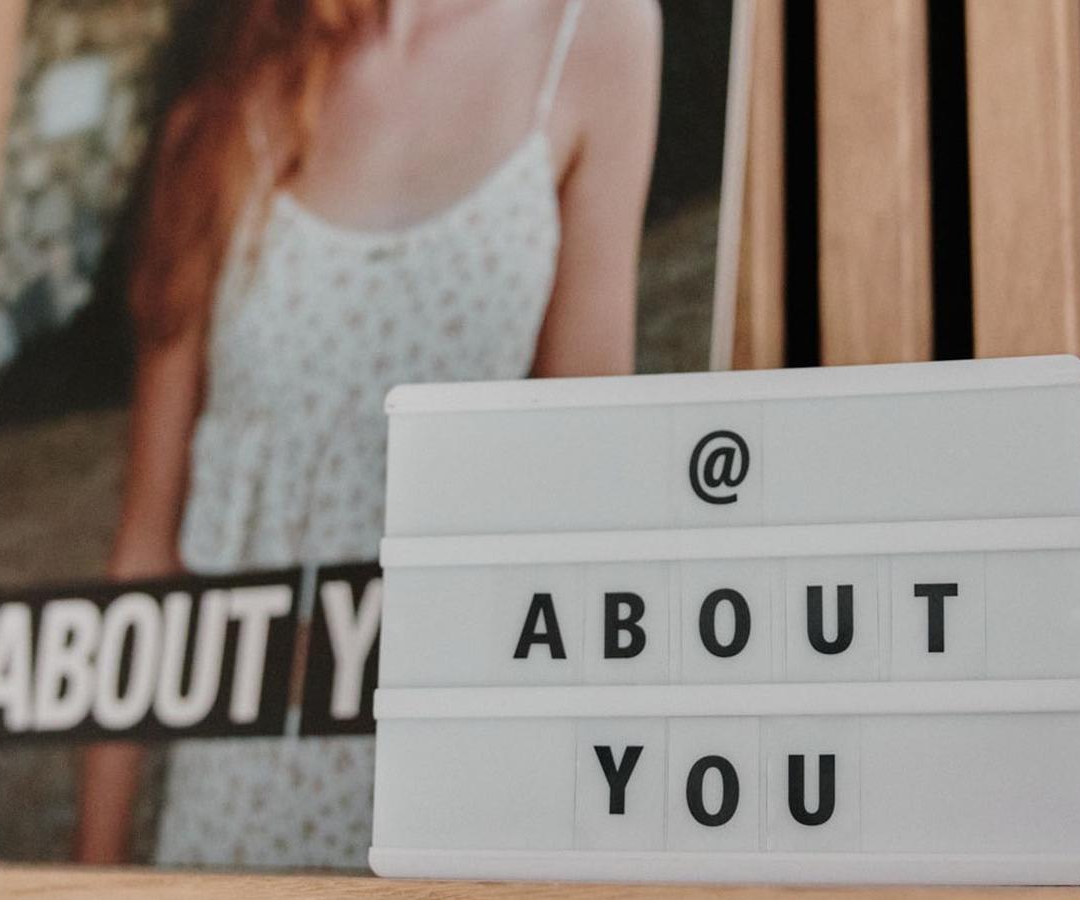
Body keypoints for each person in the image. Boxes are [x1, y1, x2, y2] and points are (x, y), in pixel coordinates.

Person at [74, 0, 661, 867]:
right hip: (230, 827)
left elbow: (589, 506)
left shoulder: (593, 33)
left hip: (455, 827)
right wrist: (92, 871)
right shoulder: (228, 104)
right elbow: (144, 554)